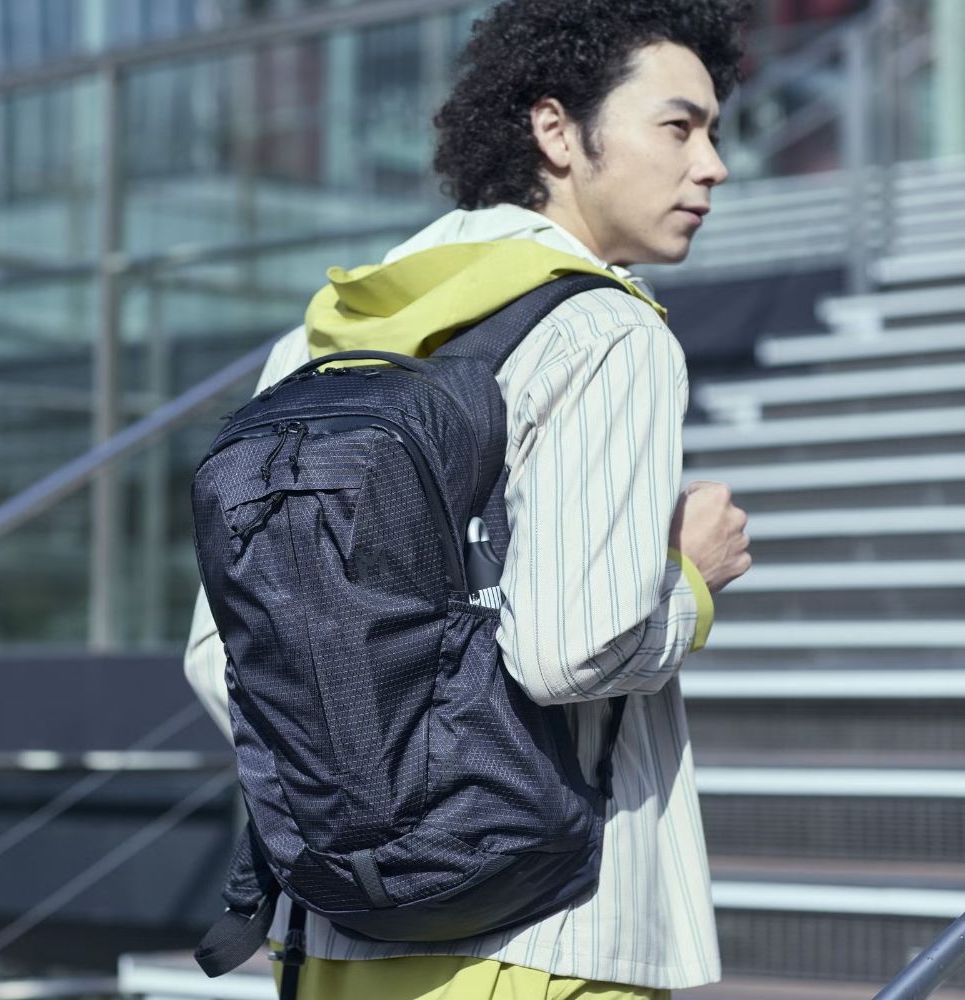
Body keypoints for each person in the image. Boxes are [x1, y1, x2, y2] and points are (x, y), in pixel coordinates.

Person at [184, 1, 753, 997]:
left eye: (713, 132)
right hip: (550, 935)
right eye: (679, 127)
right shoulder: (605, 334)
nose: (712, 165)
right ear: (556, 130)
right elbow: (573, 647)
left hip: (329, 938)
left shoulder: (314, 345)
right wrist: (689, 579)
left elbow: (218, 657)